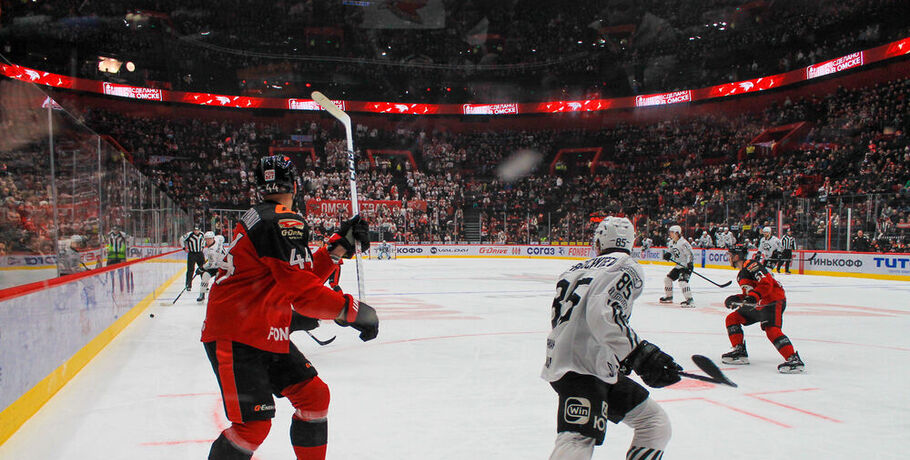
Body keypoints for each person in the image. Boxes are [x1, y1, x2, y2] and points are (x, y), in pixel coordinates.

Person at [201, 155, 378, 460]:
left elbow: (295, 277)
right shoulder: (283, 220)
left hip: (261, 330)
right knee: (251, 428)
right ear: (296, 185)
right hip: (240, 334)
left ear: (261, 187)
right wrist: (352, 310)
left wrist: (337, 248)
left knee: (313, 396)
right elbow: (304, 295)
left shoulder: (264, 217)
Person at [542, 216, 679, 460]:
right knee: (577, 438)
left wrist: (618, 356)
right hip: (583, 366)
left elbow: (576, 318)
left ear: (599, 240)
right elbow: (603, 313)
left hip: (579, 361)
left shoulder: (577, 267)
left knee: (653, 423)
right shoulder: (626, 265)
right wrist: (640, 353)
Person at [722, 245, 804, 373]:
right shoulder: (742, 273)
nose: (729, 258)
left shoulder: (751, 264)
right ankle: (739, 351)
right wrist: (735, 299)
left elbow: (766, 283)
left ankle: (793, 359)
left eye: (730, 255)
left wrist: (753, 298)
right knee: (732, 318)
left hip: (773, 300)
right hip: (760, 303)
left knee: (772, 329)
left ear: (736, 256)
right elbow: (750, 295)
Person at [659, 225, 695, 307]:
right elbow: (671, 251)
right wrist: (668, 255)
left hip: (686, 266)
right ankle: (669, 297)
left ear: (676, 233)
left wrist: (690, 264)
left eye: (671, 232)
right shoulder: (671, 242)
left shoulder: (684, 243)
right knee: (667, 279)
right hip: (679, 266)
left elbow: (690, 254)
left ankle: (690, 300)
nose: (670, 234)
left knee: (682, 282)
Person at [196, 231, 226, 302]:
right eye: (206, 239)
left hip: (221, 266)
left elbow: (211, 265)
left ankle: (219, 294)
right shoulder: (218, 238)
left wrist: (202, 268)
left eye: (209, 239)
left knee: (218, 280)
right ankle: (202, 294)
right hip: (216, 265)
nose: (208, 241)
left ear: (213, 238)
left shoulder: (211, 252)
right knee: (205, 276)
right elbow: (222, 238)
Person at [182, 226, 205, 291]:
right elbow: (181, 239)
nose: (196, 231)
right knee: (190, 270)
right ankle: (188, 285)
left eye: (197, 230)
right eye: (195, 230)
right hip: (192, 254)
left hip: (200, 254)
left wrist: (202, 247)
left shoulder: (202, 234)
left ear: (199, 230)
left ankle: (204, 285)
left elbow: (204, 241)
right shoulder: (189, 234)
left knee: (203, 269)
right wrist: (184, 247)